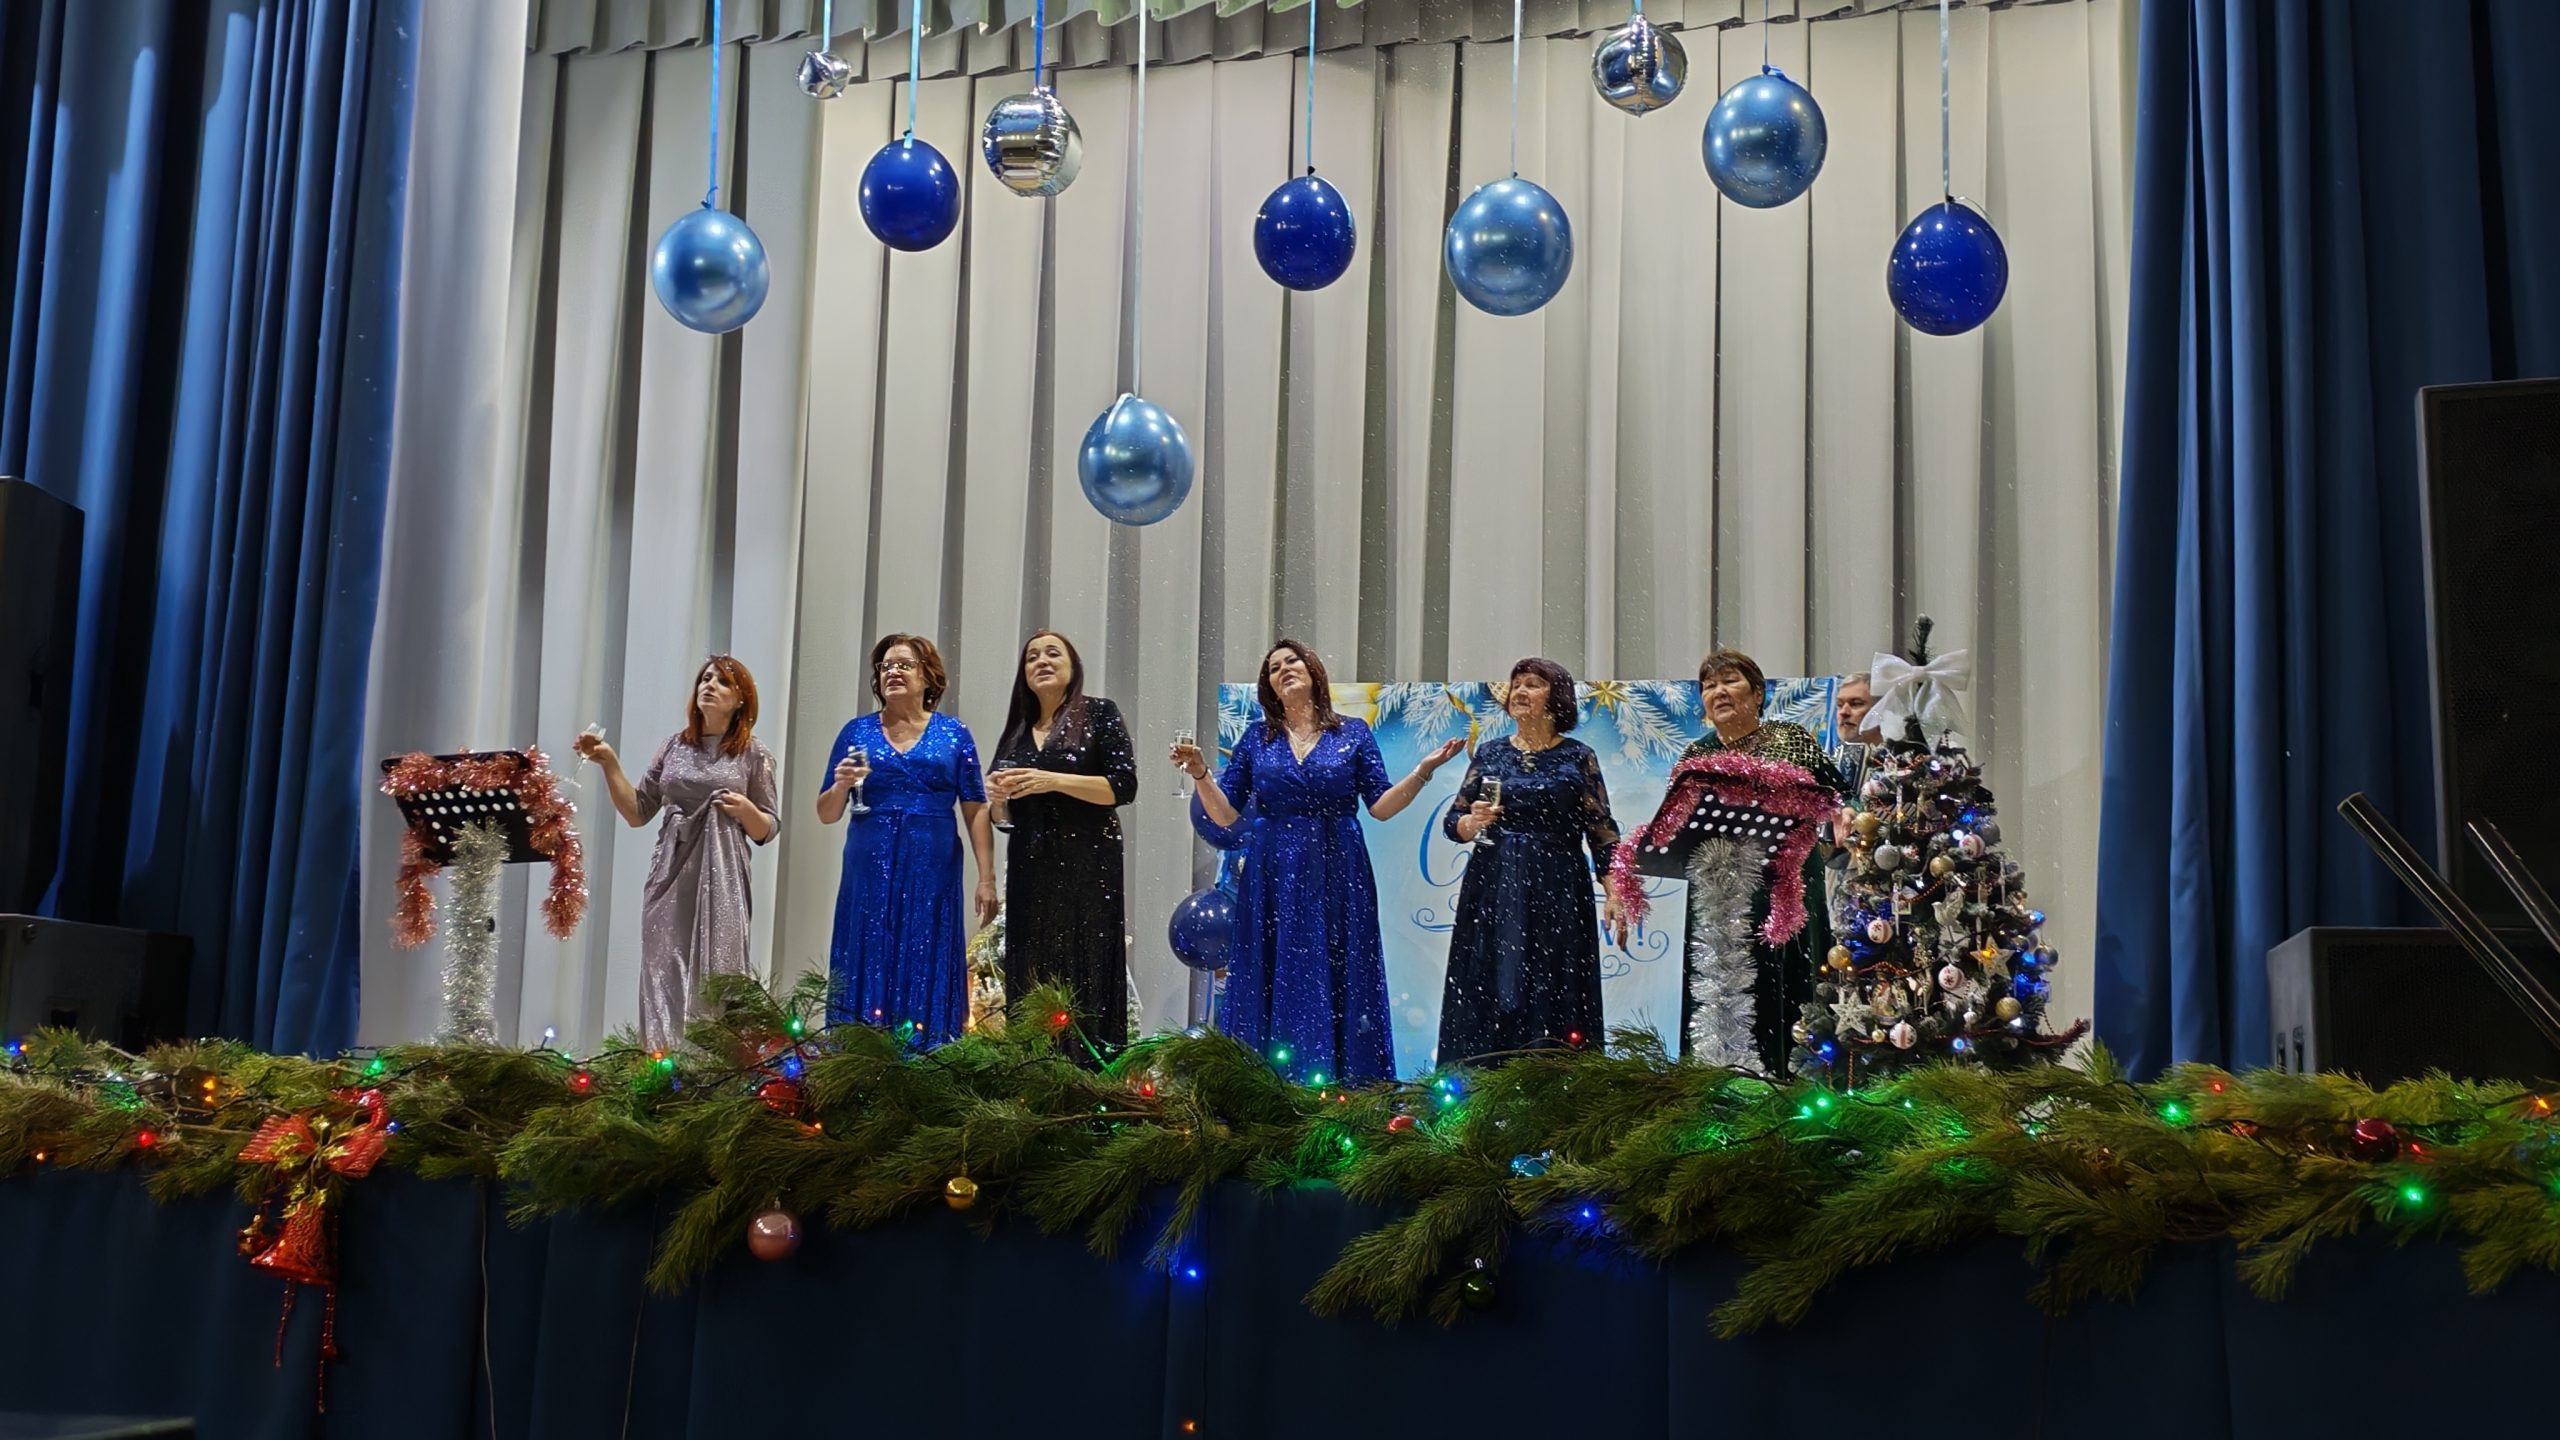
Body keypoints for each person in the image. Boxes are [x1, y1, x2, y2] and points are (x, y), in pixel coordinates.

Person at [1171, 639, 1462, 1083]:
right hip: (1272, 871)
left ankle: (1343, 1083)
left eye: (1292, 661)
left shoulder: (1353, 733)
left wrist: (1424, 770)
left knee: (1339, 965)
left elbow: (1381, 806)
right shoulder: (1256, 738)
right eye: (1274, 668)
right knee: (1272, 965)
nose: (1283, 669)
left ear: (1313, 672)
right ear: (1269, 686)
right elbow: (1226, 815)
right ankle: (1266, 1085)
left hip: (1337, 869)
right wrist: (1200, 773)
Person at [1619, 648, 1844, 1073]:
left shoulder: (1791, 738)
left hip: (1784, 882)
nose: (1719, 691)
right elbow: (1673, 827)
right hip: (1718, 888)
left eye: (1730, 681)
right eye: (1709, 686)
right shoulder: (1694, 755)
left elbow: (1838, 798)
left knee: (1785, 973)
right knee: (1719, 982)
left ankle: (1790, 1075)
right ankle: (1715, 1077)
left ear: (1758, 694)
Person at [575, 655, 780, 1049]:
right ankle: (662, 1061)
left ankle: (714, 1066)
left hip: (721, 873)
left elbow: (768, 828)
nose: (710, 686)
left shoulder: (754, 754)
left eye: (723, 681)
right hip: (670, 871)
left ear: (741, 699)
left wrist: (746, 810)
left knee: (717, 970)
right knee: (663, 965)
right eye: (705, 679)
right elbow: (638, 811)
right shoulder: (673, 746)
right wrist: (609, 763)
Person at [1437, 658, 1624, 1061]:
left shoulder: (1578, 756)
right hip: (1493, 881)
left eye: (1533, 684)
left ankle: (1555, 1081)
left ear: (1557, 697)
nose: (1520, 691)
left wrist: (1614, 893)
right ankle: (1482, 1078)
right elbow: (1453, 823)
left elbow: (1601, 830)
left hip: (1558, 885)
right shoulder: (1490, 752)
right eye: (1516, 684)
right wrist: (1472, 822)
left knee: (1554, 979)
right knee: (1490, 977)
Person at [817, 634, 996, 1042]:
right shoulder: (856, 731)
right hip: (869, 861)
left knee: (926, 944)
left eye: (904, 664)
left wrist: (987, 878)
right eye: (885, 667)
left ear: (928, 677)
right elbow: (826, 813)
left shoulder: (954, 733)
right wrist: (841, 785)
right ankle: (858, 1051)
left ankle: (927, 1052)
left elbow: (975, 807)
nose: (892, 672)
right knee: (868, 945)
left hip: (933, 864)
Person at [985, 630, 1138, 1054]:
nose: (1041, 661)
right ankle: (1032, 1068)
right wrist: (997, 800)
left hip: (1089, 863)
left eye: (1053, 653)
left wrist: (1051, 780)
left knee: (1086, 963)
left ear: (1073, 667)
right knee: (1031, 965)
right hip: (1030, 867)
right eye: (1032, 656)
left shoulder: (1099, 713)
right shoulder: (1018, 730)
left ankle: (1089, 1073)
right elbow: (1003, 820)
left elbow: (1123, 787)